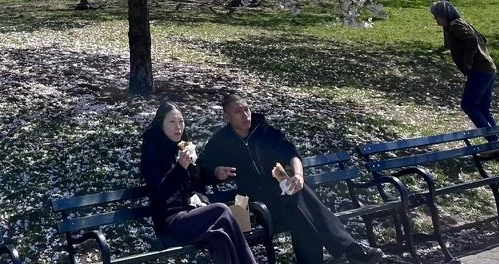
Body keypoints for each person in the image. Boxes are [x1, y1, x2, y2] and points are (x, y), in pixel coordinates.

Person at [199, 94, 383, 264]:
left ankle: (349, 251)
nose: (246, 114)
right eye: (238, 111)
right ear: (226, 117)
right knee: (300, 203)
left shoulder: (263, 132)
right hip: (256, 206)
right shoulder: (221, 141)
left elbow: (291, 153)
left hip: (282, 195)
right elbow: (200, 169)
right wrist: (215, 171)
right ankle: (351, 249)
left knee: (298, 207)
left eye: (247, 108)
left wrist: (298, 176)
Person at [141, 101, 257, 264]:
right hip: (170, 223)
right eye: (172, 122)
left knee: (220, 238)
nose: (178, 127)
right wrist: (180, 168)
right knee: (221, 210)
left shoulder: (183, 147)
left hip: (193, 214)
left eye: (181, 121)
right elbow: (159, 193)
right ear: (161, 124)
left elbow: (198, 178)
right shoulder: (151, 150)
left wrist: (215, 173)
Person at [429, 0, 498, 135]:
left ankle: (494, 141)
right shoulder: (461, 23)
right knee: (483, 109)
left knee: (468, 105)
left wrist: (467, 62)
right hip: (488, 68)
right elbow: (482, 39)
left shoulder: (455, 25)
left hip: (479, 70)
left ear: (444, 15)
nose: (435, 19)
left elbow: (471, 40)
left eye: (436, 15)